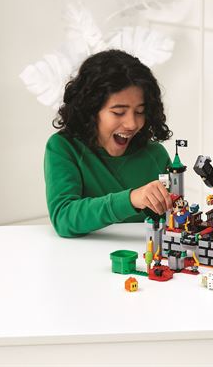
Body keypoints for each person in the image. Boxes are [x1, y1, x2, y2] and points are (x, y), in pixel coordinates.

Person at [44, 49, 173, 237]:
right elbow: (63, 218)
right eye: (119, 112)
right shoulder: (64, 148)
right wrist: (131, 199)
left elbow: (172, 221)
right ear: (91, 110)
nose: (132, 124)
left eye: (139, 111)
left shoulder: (156, 155)